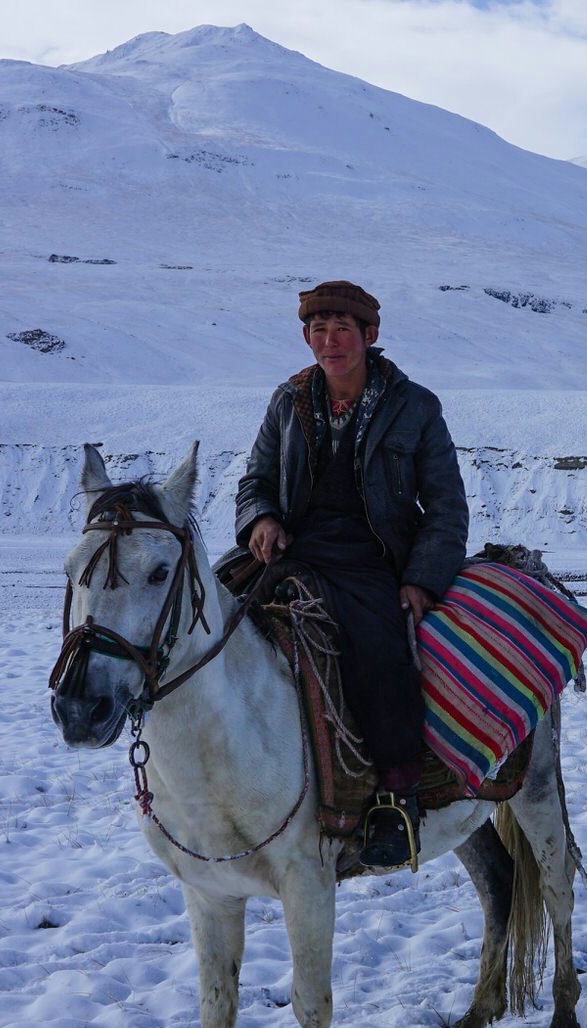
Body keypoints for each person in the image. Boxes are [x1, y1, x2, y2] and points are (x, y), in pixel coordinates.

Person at [236, 280, 470, 865]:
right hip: (291, 549)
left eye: (342, 329)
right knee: (208, 620)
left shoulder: (415, 406)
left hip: (371, 558)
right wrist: (260, 518)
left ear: (370, 335)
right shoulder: (287, 400)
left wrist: (420, 578)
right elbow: (255, 481)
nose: (329, 341)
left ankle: (397, 796)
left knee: (378, 656)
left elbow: (445, 508)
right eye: (318, 330)